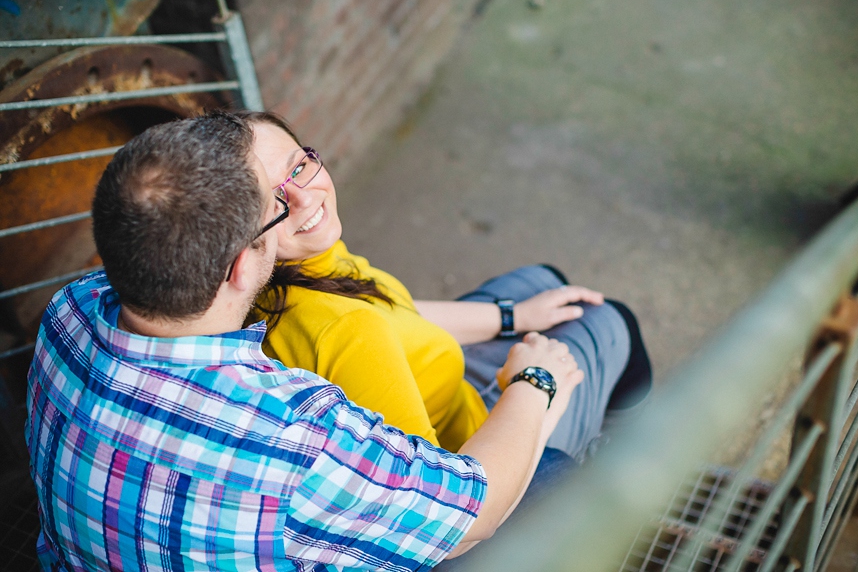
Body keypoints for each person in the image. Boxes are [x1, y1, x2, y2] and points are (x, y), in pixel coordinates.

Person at [25, 112, 583, 571]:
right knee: (562, 470)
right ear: (243, 264)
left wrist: (505, 317)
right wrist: (536, 382)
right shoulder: (297, 437)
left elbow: (383, 314)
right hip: (434, 503)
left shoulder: (68, 314)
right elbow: (473, 512)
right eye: (269, 210)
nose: (294, 202)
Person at [243, 110, 652, 464]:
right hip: (478, 450)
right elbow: (442, 502)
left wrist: (514, 316)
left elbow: (392, 311)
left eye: (298, 168)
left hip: (449, 389)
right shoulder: (343, 330)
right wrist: (537, 387)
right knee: (614, 321)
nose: (303, 198)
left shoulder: (299, 263)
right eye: (273, 200)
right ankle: (613, 463)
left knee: (547, 281)